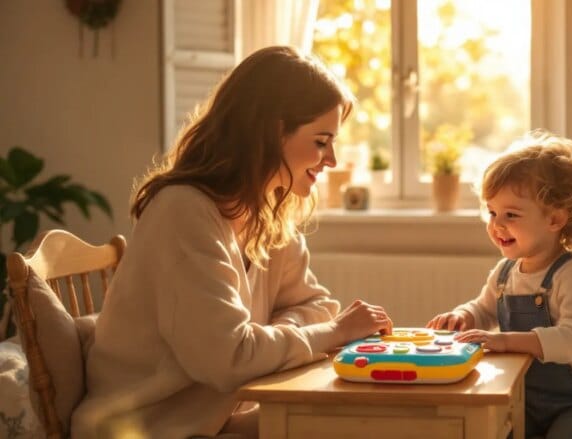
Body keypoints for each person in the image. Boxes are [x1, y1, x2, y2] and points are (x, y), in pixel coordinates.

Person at [71, 46, 393, 438]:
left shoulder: (268, 212)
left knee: (368, 421)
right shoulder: (182, 212)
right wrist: (333, 333)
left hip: (210, 421)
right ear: (273, 133)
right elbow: (230, 358)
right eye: (322, 141)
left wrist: (275, 336)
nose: (332, 160)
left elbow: (316, 306)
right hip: (146, 428)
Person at [426, 132, 572, 438]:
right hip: (528, 401)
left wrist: (506, 341)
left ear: (555, 219)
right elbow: (484, 309)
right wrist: (464, 316)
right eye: (492, 212)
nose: (497, 224)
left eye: (511, 214)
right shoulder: (504, 273)